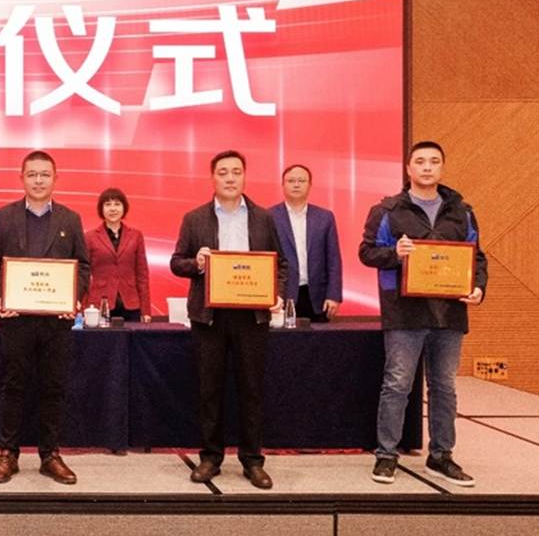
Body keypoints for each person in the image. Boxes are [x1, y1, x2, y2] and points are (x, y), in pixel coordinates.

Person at [360, 141, 487, 487]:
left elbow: (476, 256)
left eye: (434, 161)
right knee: (397, 383)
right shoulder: (387, 210)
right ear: (408, 168)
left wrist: (478, 287)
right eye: (420, 161)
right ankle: (387, 455)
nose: (427, 167)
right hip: (405, 313)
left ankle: (441, 455)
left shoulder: (462, 211)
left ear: (442, 168)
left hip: (449, 312)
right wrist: (395, 253)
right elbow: (367, 253)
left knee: (444, 386)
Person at [170, 150, 286, 489]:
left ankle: (252, 460)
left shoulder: (264, 218)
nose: (230, 178)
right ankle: (210, 457)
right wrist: (196, 263)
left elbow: (280, 264)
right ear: (213, 178)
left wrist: (277, 293)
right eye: (223, 172)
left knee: (251, 389)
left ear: (245, 176)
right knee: (210, 389)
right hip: (210, 318)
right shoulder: (194, 218)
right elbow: (176, 262)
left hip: (252, 316)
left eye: (236, 171)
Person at [0, 150, 91, 485]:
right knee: (13, 385)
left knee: (54, 386)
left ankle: (50, 454)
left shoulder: (70, 219)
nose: (39, 180)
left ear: (55, 179)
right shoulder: (4, 216)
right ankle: (8, 453)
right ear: (22, 179)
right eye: (32, 174)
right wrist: (0, 296)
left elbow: (83, 266)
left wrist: (74, 298)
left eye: (45, 174)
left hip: (56, 321)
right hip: (16, 318)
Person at [269, 164, 343, 323]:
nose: (296, 184)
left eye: (301, 181)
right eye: (291, 181)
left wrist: (334, 295)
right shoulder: (269, 216)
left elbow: (333, 259)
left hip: (317, 296)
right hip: (281, 296)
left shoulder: (325, 217)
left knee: (318, 338)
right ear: (282, 185)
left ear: (310, 185)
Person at [84, 187, 152, 322]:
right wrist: (82, 308)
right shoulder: (89, 237)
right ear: (101, 209)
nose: (113, 209)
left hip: (131, 304)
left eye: (117, 204)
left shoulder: (136, 236)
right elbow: (84, 274)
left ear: (124, 207)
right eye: (108, 204)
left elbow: (142, 275)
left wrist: (146, 310)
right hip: (99, 303)